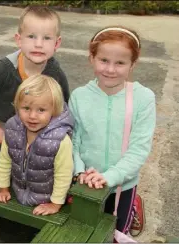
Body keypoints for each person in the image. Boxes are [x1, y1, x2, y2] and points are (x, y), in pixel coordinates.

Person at [69, 26, 155, 236]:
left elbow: (139, 149)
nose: (110, 69)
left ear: (132, 64)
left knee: (117, 232)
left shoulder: (143, 98)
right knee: (84, 231)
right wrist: (79, 170)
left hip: (123, 185)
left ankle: (133, 205)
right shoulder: (79, 96)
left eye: (120, 63)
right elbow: (72, 139)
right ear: (92, 58)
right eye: (104, 60)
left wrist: (111, 176)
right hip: (86, 182)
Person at [0, 5, 70, 180]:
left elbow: (63, 108)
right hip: (0, 134)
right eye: (31, 36)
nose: (38, 44)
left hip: (36, 138)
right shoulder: (4, 69)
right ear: (19, 40)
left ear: (57, 43)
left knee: (26, 179)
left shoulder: (56, 74)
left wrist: (51, 136)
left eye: (47, 38)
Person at [0, 74, 74, 216]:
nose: (32, 116)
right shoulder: (13, 129)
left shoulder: (60, 139)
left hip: (46, 199)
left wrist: (55, 204)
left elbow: (63, 174)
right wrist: (3, 188)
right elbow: (5, 160)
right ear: (17, 107)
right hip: (18, 192)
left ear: (54, 111)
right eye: (26, 108)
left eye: (41, 110)